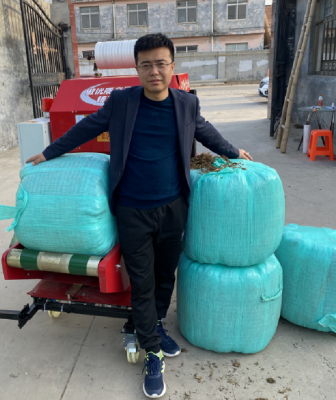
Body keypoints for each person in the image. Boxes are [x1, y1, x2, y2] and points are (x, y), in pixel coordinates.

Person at [27, 33, 253, 399]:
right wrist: (50, 151)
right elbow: (87, 127)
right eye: (146, 65)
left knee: (165, 276)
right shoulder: (122, 102)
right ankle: (152, 351)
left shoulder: (186, 103)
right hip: (132, 210)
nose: (154, 71)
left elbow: (205, 131)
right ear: (137, 68)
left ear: (172, 66)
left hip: (173, 208)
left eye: (161, 63)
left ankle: (156, 325)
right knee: (142, 282)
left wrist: (233, 151)